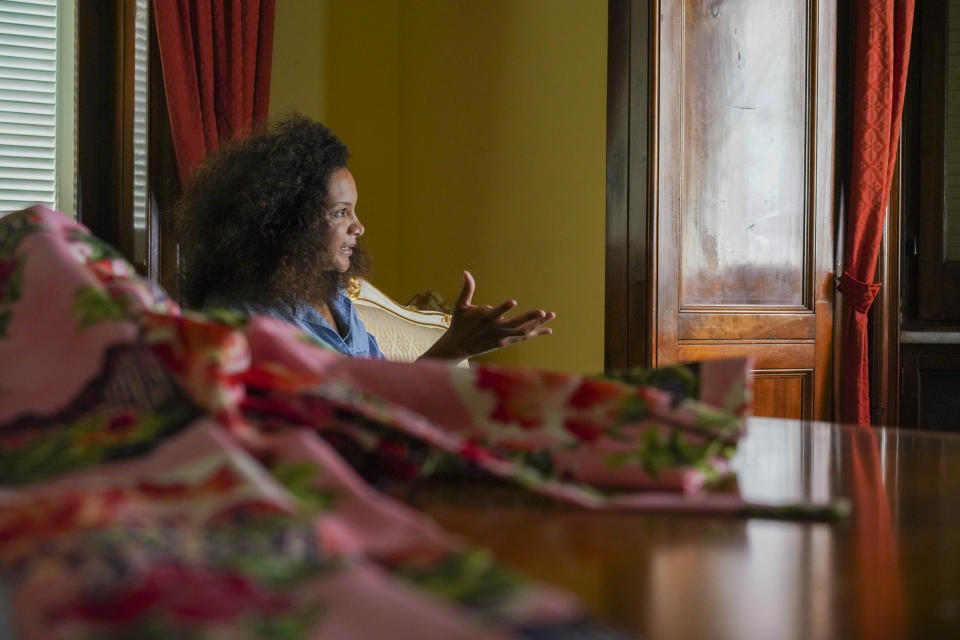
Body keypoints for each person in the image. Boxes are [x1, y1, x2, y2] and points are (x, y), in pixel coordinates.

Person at [178, 114, 555, 360]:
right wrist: (454, 349)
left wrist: (456, 347)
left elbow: (383, 401)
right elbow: (338, 430)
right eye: (341, 213)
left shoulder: (333, 297)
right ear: (288, 223)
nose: (359, 227)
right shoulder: (239, 320)